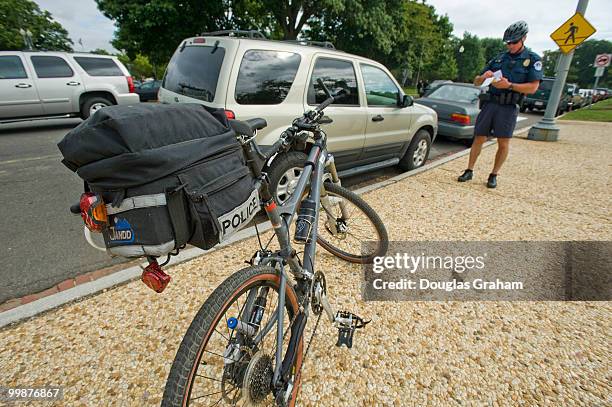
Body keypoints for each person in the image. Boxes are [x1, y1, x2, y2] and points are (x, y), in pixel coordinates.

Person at [458, 21, 542, 188]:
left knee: (503, 142)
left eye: (514, 42)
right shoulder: (498, 58)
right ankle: (469, 170)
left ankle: (494, 174)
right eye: (508, 42)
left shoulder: (532, 59)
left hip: (509, 106)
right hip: (491, 103)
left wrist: (510, 85)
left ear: (524, 38)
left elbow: (533, 87)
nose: (510, 45)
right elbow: (476, 81)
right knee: (479, 137)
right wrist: (483, 77)